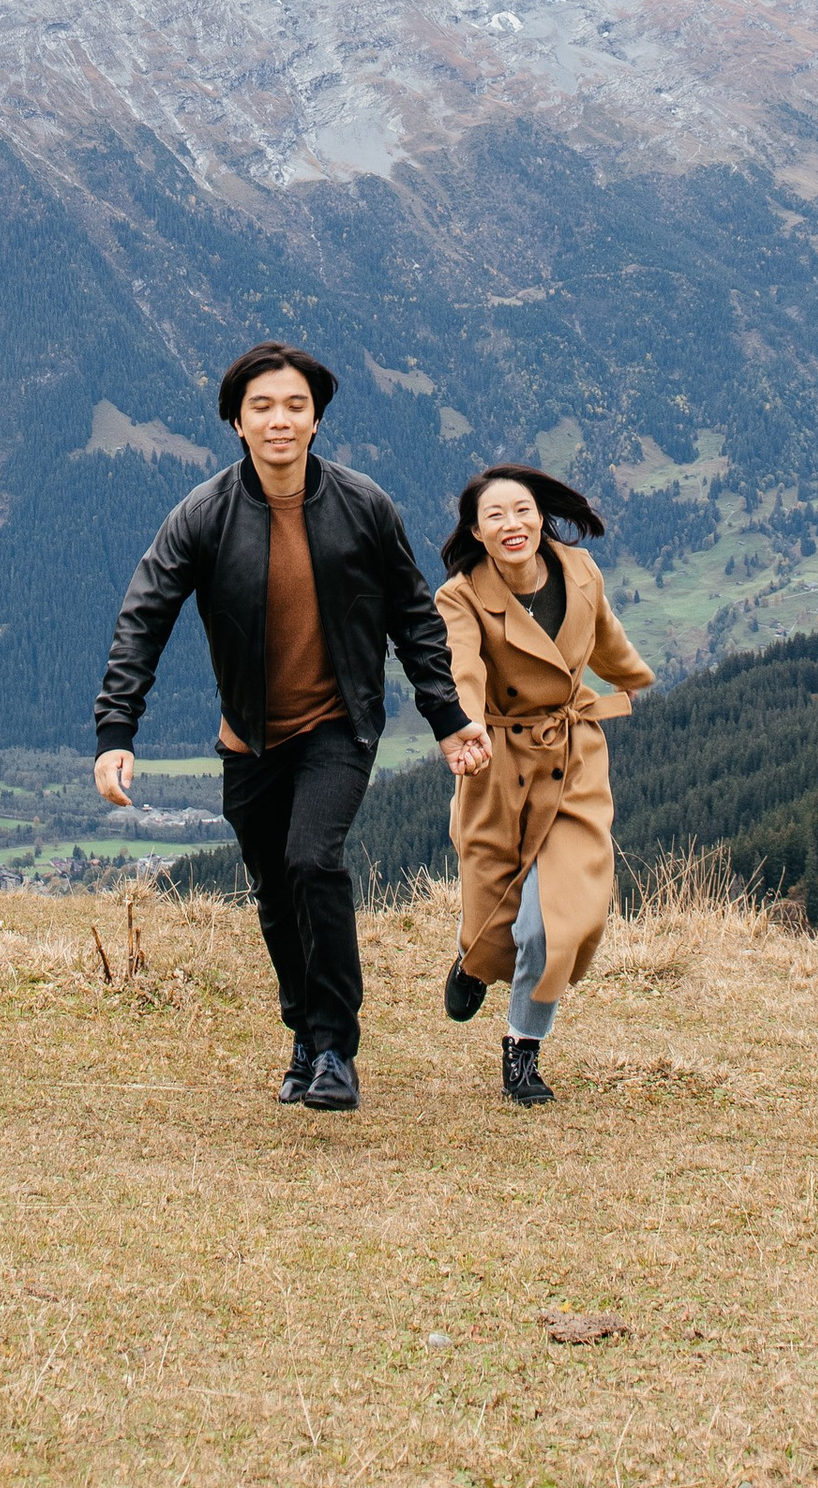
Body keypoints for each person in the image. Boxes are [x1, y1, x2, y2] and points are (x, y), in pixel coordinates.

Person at [93, 341, 490, 1112]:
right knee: (274, 891)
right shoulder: (203, 514)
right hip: (249, 738)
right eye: (263, 406)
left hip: (338, 724)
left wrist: (446, 715)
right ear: (236, 422)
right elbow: (144, 616)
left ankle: (337, 1047)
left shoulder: (363, 505)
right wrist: (117, 731)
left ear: (316, 420)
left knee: (313, 859)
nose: (280, 419)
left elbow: (414, 615)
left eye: (295, 406)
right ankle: (304, 1032)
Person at [434, 463, 652, 1107]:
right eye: (495, 516)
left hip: (573, 758)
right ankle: (474, 960)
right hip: (498, 762)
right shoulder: (461, 596)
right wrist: (466, 726)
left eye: (522, 510)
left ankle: (523, 1047)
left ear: (540, 517)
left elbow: (604, 635)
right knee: (496, 911)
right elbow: (462, 667)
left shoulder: (580, 571)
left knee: (554, 921)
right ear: (476, 532)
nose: (512, 524)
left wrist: (632, 677)